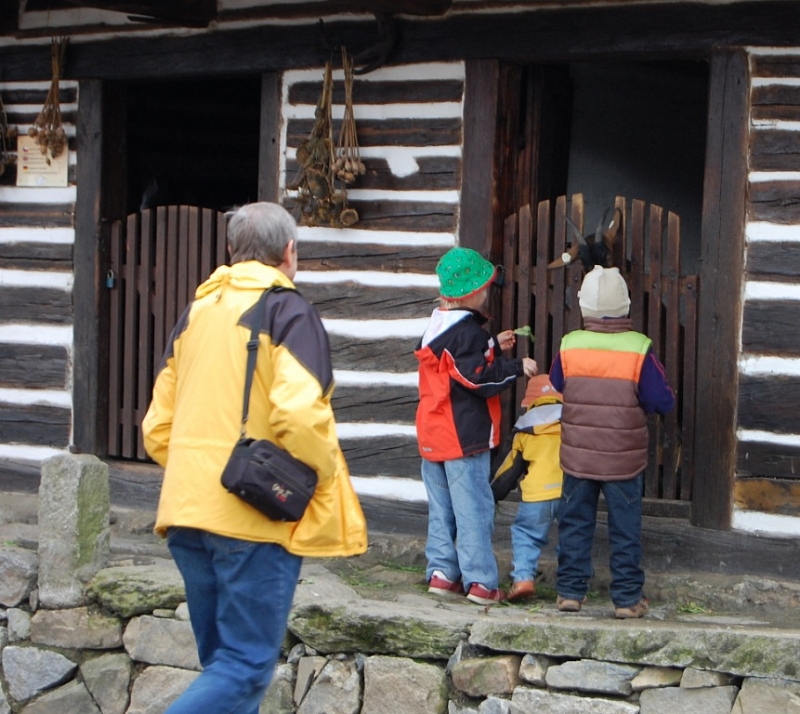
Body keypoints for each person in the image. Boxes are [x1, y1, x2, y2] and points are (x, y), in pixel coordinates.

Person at [142, 202, 368, 714]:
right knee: (244, 667)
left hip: (185, 514)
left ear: (231, 250)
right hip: (251, 514)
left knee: (223, 668)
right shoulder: (288, 311)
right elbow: (299, 415)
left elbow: (157, 428)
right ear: (289, 252)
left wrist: (197, 471)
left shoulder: (196, 313)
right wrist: (325, 477)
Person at [549, 264, 675, 619]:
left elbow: (559, 384)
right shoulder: (639, 349)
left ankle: (570, 592)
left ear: (584, 308)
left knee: (574, 522)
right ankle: (627, 599)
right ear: (626, 306)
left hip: (579, 459)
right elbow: (660, 400)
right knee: (625, 528)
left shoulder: (570, 346)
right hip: (624, 460)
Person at [415, 246, 538, 605]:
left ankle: (442, 573)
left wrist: (492, 345)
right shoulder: (468, 333)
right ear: (474, 292)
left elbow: (453, 364)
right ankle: (482, 582)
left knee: (442, 510)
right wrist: (515, 367)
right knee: (474, 510)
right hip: (463, 436)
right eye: (485, 286)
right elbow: (476, 379)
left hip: (432, 434)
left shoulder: (435, 326)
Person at [491, 375, 563, 603]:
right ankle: (570, 590)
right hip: (570, 492)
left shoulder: (525, 430)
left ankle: (523, 579)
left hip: (536, 494)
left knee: (526, 535)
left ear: (530, 402)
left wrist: (492, 494)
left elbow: (508, 470)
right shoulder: (574, 424)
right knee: (573, 537)